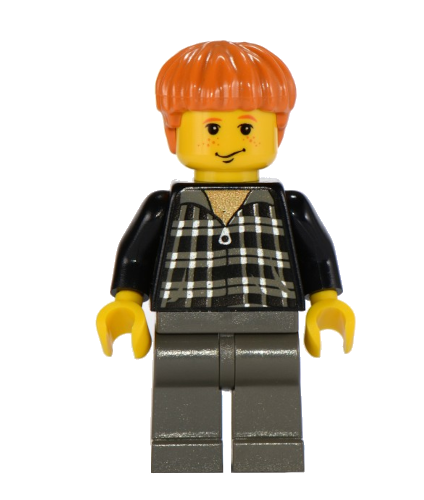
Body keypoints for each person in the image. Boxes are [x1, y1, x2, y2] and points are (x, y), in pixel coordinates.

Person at [96, 41, 355, 473]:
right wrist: (126, 302)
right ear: (174, 133)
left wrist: (326, 302)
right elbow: (135, 255)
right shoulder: (165, 206)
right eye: (213, 128)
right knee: (182, 394)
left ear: (277, 132)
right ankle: (185, 460)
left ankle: (270, 458)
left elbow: (317, 253)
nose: (229, 142)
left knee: (272, 393)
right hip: (183, 321)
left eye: (247, 127)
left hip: (270, 320)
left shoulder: (288, 205)